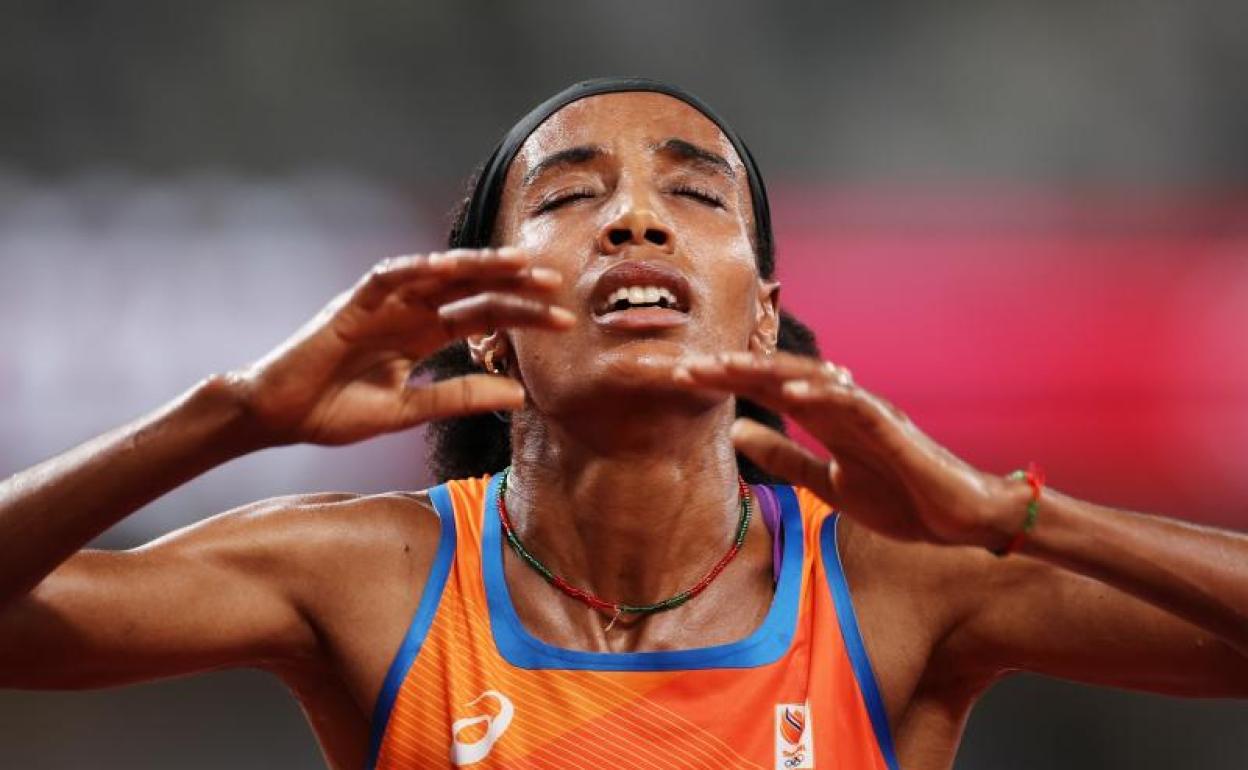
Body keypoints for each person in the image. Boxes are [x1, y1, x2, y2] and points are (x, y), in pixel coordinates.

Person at [0, 78, 1245, 770]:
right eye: (569, 194)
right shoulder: (373, 577)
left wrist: (1013, 514)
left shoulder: (892, 583)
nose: (635, 219)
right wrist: (231, 415)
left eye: (694, 192)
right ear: (487, 325)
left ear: (762, 315)